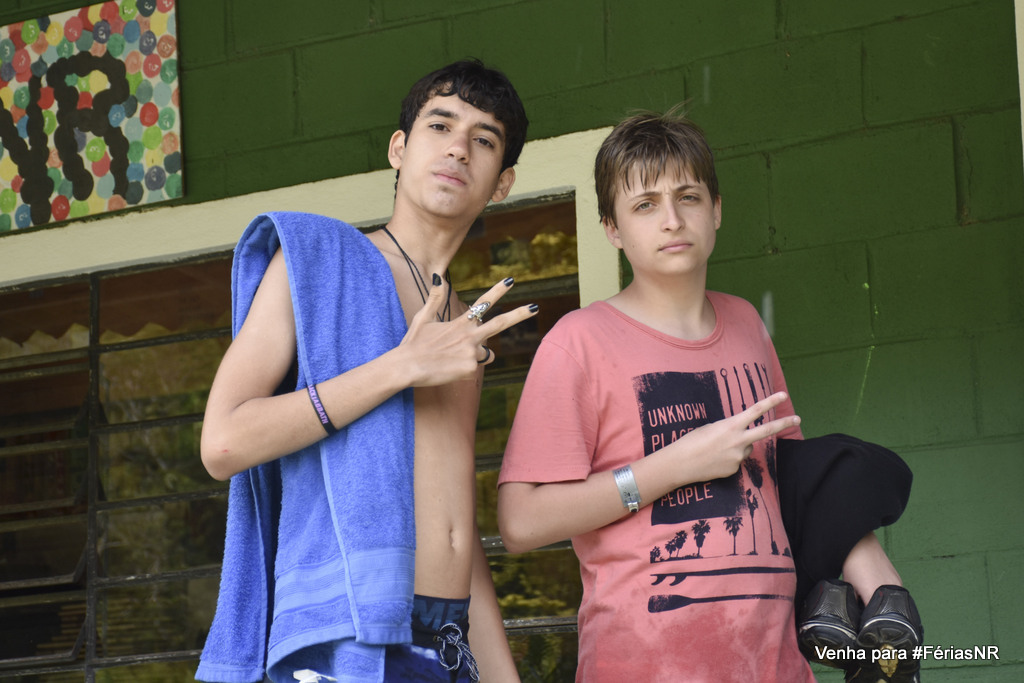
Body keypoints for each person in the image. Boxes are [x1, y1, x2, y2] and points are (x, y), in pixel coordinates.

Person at [496, 109, 922, 682]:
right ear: (612, 229)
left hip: (773, 664)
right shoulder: (579, 342)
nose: (671, 220)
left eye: (688, 197)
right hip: (645, 666)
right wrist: (671, 467)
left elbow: (793, 483)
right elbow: (521, 522)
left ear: (716, 210)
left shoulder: (746, 324)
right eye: (645, 205)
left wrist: (869, 568)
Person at [196, 59, 535, 683]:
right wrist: (401, 365)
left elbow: (455, 523)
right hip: (348, 637)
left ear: (502, 182)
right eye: (440, 126)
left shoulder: (461, 326)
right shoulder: (317, 262)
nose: (458, 149)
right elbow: (222, 442)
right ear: (399, 149)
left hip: (448, 642)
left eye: (484, 140)